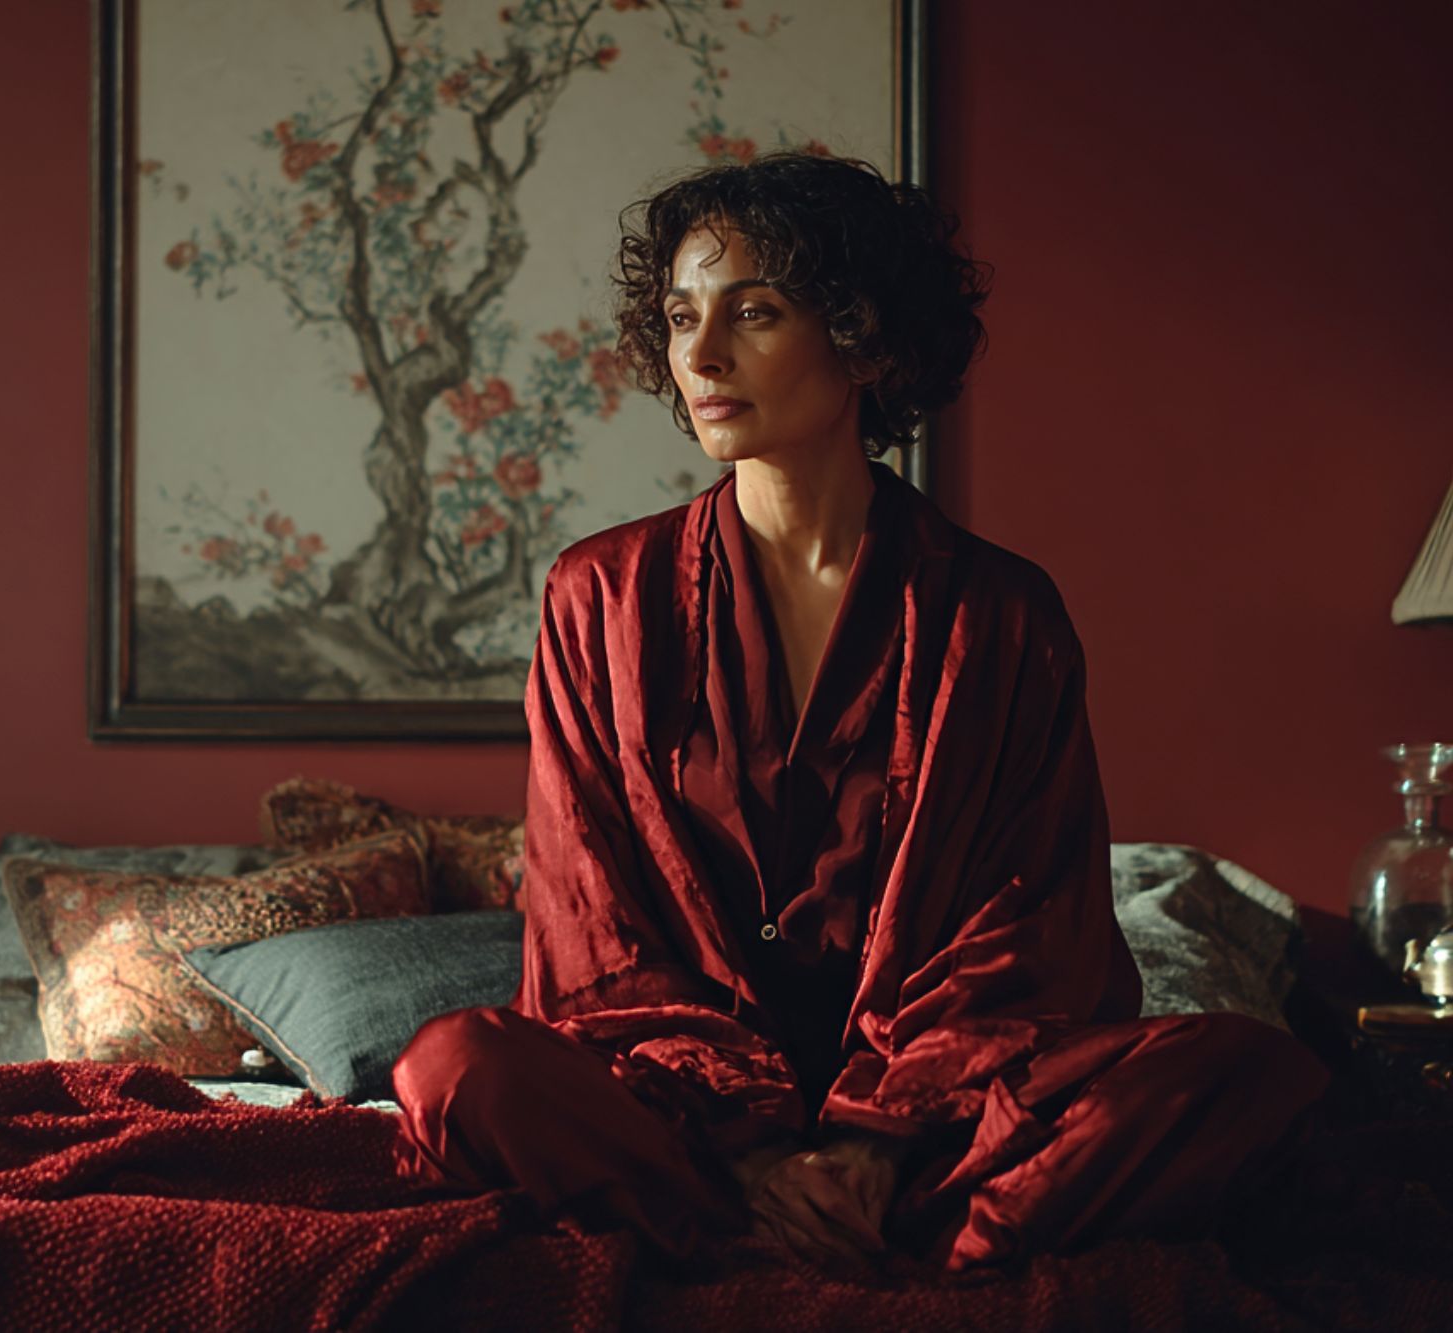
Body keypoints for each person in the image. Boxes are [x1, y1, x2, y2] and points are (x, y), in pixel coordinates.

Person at [390, 151, 1329, 1271]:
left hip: (935, 1119)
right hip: (674, 1113)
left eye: (753, 312)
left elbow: (1031, 928)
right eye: (681, 316)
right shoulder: (597, 596)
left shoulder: (999, 614)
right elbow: (590, 920)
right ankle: (836, 1238)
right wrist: (747, 1148)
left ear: (858, 333)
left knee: (1244, 1072)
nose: (699, 354)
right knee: (453, 1065)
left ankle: (790, 1232)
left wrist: (873, 1139)